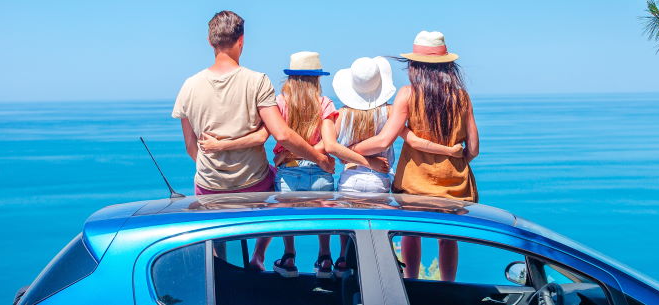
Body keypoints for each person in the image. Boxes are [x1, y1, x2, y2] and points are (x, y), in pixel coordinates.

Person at [172, 11, 334, 271]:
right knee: (278, 187)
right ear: (241, 40)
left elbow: (191, 147)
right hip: (253, 184)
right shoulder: (257, 81)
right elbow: (281, 134)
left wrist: (215, 166)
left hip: (210, 185)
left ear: (209, 41)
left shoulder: (189, 86)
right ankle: (258, 256)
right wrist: (319, 158)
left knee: (215, 230)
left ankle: (220, 269)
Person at [351, 31, 479, 282]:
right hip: (455, 186)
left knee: (411, 234)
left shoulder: (408, 94)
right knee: (448, 239)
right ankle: (448, 287)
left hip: (414, 184)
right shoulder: (462, 97)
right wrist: (454, 159)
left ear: (415, 66)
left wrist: (351, 150)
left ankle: (411, 284)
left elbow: (385, 140)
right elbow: (473, 148)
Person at [327, 56, 462, 276]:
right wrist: (448, 150)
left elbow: (330, 147)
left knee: (348, 229)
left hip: (349, 180)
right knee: (377, 233)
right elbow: (408, 138)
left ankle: (343, 261)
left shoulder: (340, 115)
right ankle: (383, 273)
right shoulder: (389, 112)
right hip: (379, 181)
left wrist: (350, 155)